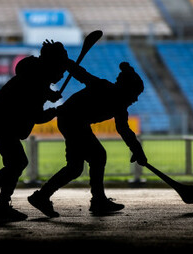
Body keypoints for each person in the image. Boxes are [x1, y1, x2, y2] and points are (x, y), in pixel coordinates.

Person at [28, 61, 147, 217]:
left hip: (72, 121)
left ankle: (42, 196)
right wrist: (65, 61)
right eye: (135, 94)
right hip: (72, 120)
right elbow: (80, 73)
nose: (136, 99)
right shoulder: (104, 87)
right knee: (98, 156)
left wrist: (137, 150)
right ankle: (98, 200)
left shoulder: (120, 105)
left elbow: (124, 129)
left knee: (75, 168)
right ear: (126, 89)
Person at [0, 40, 69, 221]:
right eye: (61, 69)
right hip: (2, 122)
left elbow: (33, 90)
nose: (63, 74)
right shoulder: (37, 83)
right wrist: (56, 110)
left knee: (15, 163)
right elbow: (37, 116)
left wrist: (49, 95)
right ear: (53, 65)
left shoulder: (35, 76)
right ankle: (0, 205)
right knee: (17, 163)